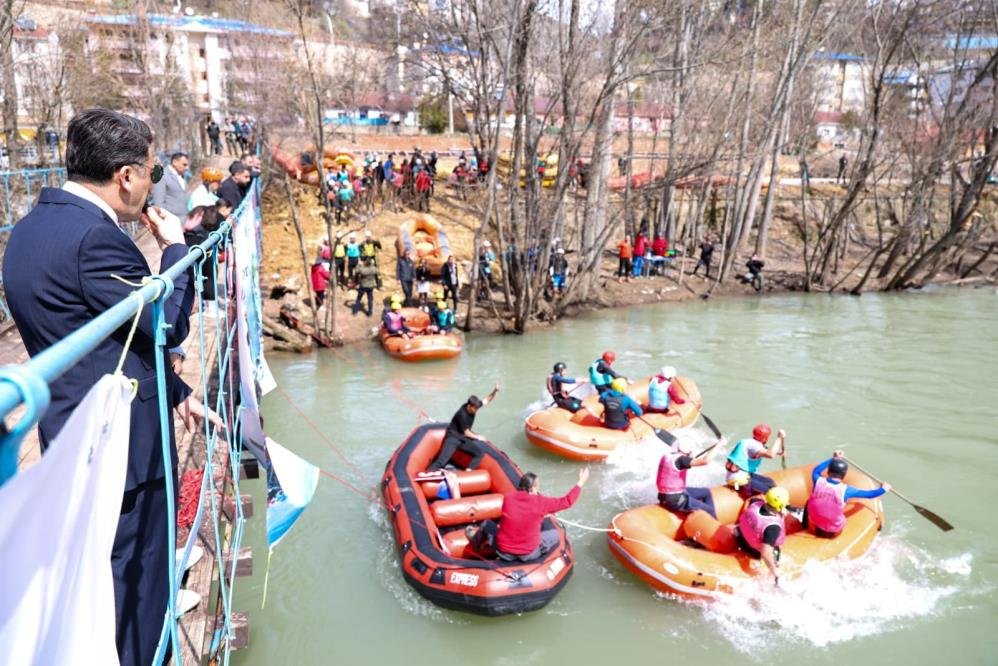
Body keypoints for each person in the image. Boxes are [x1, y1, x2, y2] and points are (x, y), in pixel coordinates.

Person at [2, 108, 198, 666]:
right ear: (127, 177)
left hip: (70, 428)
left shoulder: (29, 229)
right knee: (136, 587)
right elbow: (167, 326)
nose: (153, 185)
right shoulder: (96, 240)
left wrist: (179, 393)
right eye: (153, 174)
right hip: (125, 450)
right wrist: (176, 248)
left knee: (102, 576)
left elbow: (99, 340)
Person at [490, 467, 589, 562]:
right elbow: (566, 502)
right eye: (537, 488)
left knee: (487, 525)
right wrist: (581, 482)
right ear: (532, 489)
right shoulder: (540, 502)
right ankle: (542, 559)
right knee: (554, 535)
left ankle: (476, 550)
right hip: (528, 555)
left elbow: (515, 516)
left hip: (504, 553)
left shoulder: (508, 498)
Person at [805, 452, 890, 538]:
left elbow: (816, 470)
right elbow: (869, 495)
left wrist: (833, 459)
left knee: (809, 502)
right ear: (843, 475)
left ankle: (804, 525)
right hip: (834, 529)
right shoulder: (846, 490)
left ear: (828, 471)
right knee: (839, 515)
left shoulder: (818, 480)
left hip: (815, 524)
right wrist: (883, 489)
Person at [426, 384, 501, 472]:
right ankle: (427, 473)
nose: (476, 411)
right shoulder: (462, 414)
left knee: (479, 453)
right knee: (442, 462)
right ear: (469, 406)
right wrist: (478, 437)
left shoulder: (474, 405)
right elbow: (467, 432)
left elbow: (487, 400)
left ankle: (468, 471)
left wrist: (495, 391)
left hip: (463, 438)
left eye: (477, 408)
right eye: (474, 409)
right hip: (453, 437)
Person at [734, 486, 790, 586]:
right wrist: (774, 570)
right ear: (780, 506)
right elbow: (765, 553)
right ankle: (774, 580)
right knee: (775, 554)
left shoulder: (755, 502)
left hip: (740, 536)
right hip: (754, 550)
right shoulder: (772, 527)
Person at [657, 439, 718, 517]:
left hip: (664, 496)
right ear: (687, 452)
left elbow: (680, 465)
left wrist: (690, 458)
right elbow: (705, 461)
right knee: (711, 511)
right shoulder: (682, 460)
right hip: (675, 500)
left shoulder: (667, 456)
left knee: (706, 491)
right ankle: (714, 523)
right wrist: (719, 445)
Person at [726, 425, 786, 496]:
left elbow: (765, 451)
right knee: (770, 492)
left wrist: (780, 453)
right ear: (764, 439)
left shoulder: (750, 442)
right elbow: (771, 454)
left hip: (743, 475)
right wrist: (779, 438)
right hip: (737, 479)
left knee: (770, 482)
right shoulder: (754, 445)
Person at [151, 151, 190, 221]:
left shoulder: (182, 176)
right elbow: (159, 203)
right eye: (184, 165)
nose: (187, 168)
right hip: (171, 222)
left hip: (185, 221)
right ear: (175, 162)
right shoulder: (162, 176)